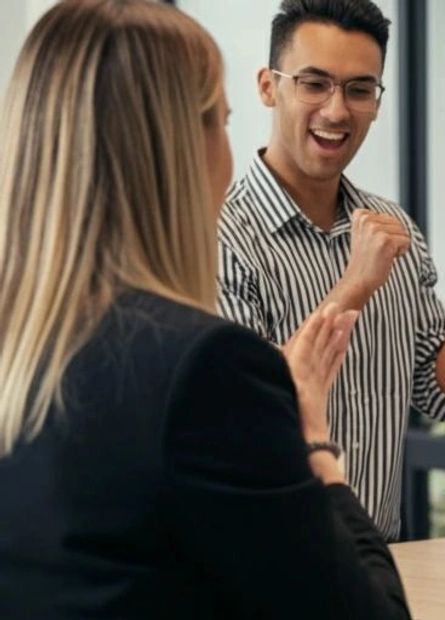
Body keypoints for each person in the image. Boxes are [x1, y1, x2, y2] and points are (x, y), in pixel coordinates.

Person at [0, 1, 410, 617]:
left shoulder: (24, 350)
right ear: (174, 152)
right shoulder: (206, 370)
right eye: (220, 121)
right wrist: (315, 447)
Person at [216, 0, 445, 540]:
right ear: (267, 86)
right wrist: (356, 285)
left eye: (358, 90)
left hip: (377, 559)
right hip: (265, 563)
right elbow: (248, 409)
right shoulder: (221, 235)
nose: (336, 111)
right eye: (313, 83)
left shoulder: (392, 227)